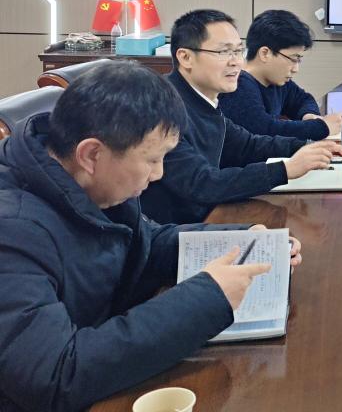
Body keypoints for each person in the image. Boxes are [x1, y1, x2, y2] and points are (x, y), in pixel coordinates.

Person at [0, 62, 300, 411]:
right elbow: (55, 375)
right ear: (92, 154)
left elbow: (148, 242)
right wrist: (208, 299)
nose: (158, 174)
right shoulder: (13, 231)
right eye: (152, 160)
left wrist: (244, 240)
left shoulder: (90, 184)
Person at [141, 9, 342, 224]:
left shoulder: (202, 100)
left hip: (203, 221)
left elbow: (247, 145)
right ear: (186, 57)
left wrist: (306, 147)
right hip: (172, 233)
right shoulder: (161, 107)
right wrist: (286, 169)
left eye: (238, 51)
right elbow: (202, 183)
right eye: (224, 52)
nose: (236, 62)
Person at [220, 9, 342, 140]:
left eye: (299, 60)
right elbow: (264, 130)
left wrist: (308, 115)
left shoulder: (275, 81)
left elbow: (303, 99)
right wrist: (321, 127)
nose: (296, 69)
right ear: (265, 53)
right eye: (293, 58)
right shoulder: (238, 84)